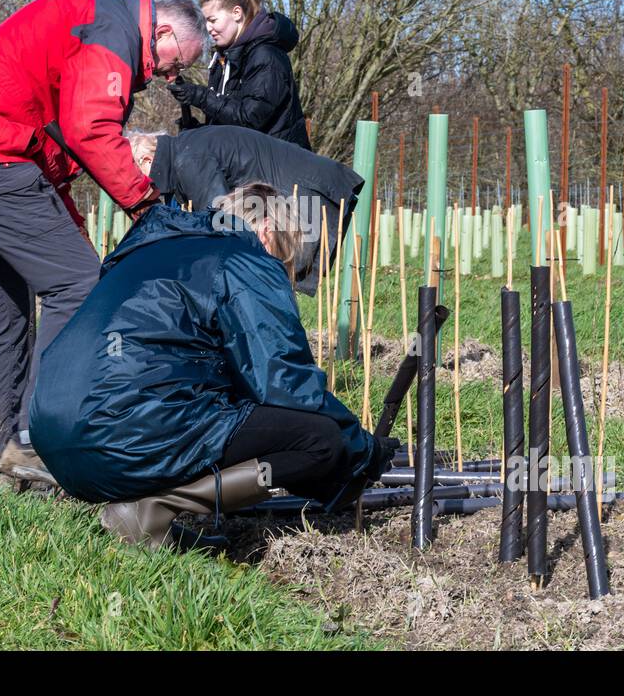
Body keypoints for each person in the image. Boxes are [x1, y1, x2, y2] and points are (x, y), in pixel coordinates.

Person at [0, 0, 206, 482]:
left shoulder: (92, 20)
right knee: (81, 285)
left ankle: (0, 462)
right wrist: (147, 208)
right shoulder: (114, 29)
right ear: (164, 32)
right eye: (175, 65)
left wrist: (77, 229)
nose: (169, 78)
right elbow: (90, 130)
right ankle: (36, 440)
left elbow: (53, 159)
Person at [28, 183, 398, 550]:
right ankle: (154, 508)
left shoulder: (150, 249)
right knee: (320, 442)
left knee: (220, 418)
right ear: (267, 231)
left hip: (56, 440)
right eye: (285, 257)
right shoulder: (242, 259)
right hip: (121, 434)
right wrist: (359, 447)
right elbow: (284, 382)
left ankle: (151, 516)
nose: (284, 271)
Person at [127, 125, 362, 295]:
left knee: (272, 274)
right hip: (296, 191)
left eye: (135, 178)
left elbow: (221, 223)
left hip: (303, 194)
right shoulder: (186, 148)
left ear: (148, 160)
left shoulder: (189, 160)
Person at [169, 0, 311, 149]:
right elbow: (228, 121)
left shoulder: (265, 56)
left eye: (212, 20)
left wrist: (200, 96)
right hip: (249, 162)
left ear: (236, 13)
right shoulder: (223, 58)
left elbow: (250, 119)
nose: (208, 28)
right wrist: (198, 131)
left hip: (275, 167)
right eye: (206, 21)